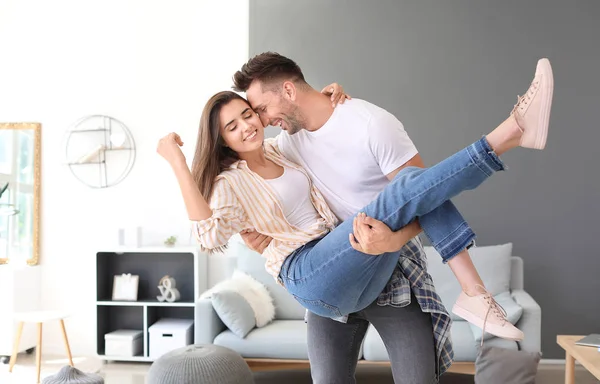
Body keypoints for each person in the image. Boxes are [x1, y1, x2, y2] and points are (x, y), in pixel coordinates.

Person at [157, 57, 553, 383]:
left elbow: (312, 123)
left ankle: (475, 291)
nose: (251, 123)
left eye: (252, 112)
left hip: (363, 262)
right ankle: (510, 132)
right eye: (235, 124)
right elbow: (208, 234)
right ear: (223, 140)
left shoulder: (285, 147)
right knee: (401, 191)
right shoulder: (230, 182)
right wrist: (179, 163)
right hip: (312, 274)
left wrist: (328, 98)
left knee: (411, 186)